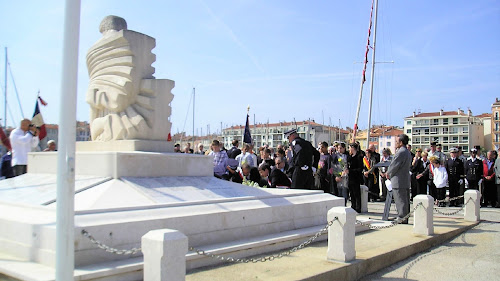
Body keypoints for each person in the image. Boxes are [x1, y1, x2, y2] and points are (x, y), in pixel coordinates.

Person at [386, 134, 412, 224]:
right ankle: (404, 217)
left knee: (400, 200)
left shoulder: (401, 152)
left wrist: (388, 173)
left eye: (397, 142)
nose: (395, 143)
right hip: (404, 179)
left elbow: (394, 165)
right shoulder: (407, 152)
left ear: (401, 142)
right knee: (405, 200)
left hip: (398, 179)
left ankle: (401, 217)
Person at [346, 142, 363, 213]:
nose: (349, 149)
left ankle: (358, 207)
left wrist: (350, 171)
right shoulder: (350, 157)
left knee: (356, 193)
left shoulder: (359, 157)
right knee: (351, 193)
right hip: (350, 177)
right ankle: (353, 206)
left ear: (353, 148)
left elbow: (360, 168)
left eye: (350, 147)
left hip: (356, 177)